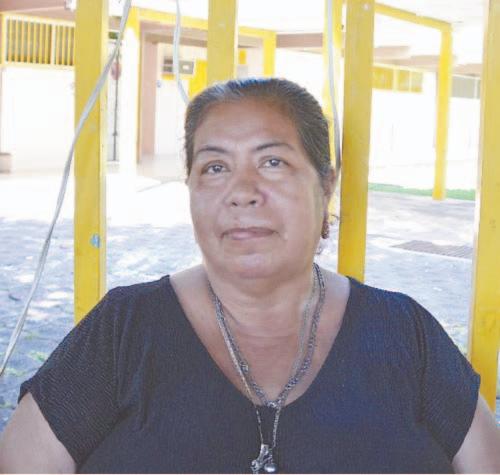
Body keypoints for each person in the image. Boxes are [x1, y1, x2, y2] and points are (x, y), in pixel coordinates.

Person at [0, 78, 499, 474]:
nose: (242, 191)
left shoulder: (404, 332)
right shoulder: (122, 330)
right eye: (214, 168)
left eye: (273, 162)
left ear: (325, 187)